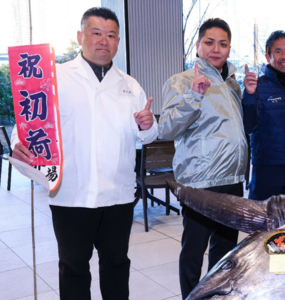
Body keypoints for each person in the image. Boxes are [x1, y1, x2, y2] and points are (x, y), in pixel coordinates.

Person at [11, 7, 157, 299]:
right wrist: (19, 144)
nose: (104, 40)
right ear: (80, 36)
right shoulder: (54, 79)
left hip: (118, 197)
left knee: (117, 264)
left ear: (118, 41)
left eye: (111, 35)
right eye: (96, 33)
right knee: (73, 267)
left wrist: (148, 125)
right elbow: (26, 124)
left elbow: (149, 136)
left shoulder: (130, 85)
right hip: (71, 195)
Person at [157, 18, 247, 298]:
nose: (216, 49)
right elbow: (167, 129)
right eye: (209, 42)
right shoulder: (181, 81)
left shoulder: (233, 84)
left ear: (229, 49)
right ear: (198, 46)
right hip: (200, 181)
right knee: (194, 249)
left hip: (232, 179)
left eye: (222, 44)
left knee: (225, 249)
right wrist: (194, 96)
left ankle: (217, 294)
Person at [242, 30, 285, 200]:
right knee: (263, 223)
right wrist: (250, 95)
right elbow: (248, 126)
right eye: (278, 51)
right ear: (268, 56)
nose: (284, 56)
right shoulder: (258, 87)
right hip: (267, 170)